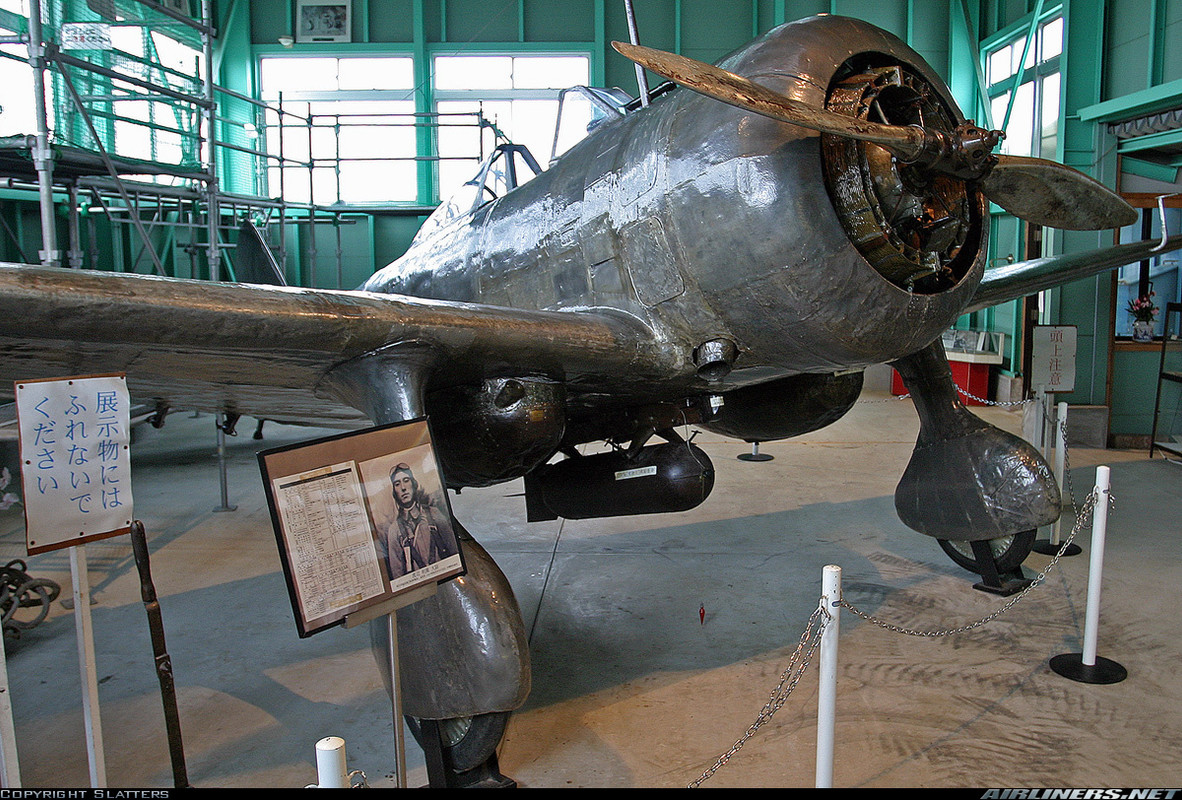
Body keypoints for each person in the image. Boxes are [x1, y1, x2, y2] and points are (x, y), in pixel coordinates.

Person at [383, 462, 457, 579]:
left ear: (413, 484)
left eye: (406, 480)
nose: (403, 488)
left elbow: (455, 552)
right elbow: (398, 576)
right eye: (397, 484)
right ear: (395, 492)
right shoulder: (395, 531)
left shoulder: (434, 514)